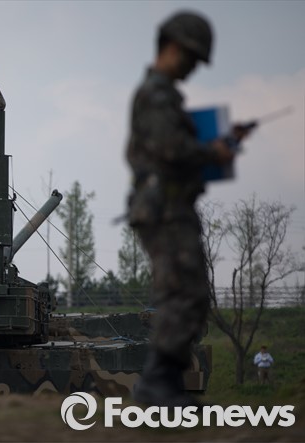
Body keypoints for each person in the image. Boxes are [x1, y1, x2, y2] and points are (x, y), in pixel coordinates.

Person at [125, 11, 252, 407]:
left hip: (173, 205)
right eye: (192, 58)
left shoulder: (164, 96)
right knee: (181, 293)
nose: (194, 68)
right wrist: (212, 151)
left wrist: (220, 143)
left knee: (191, 293)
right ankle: (156, 387)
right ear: (173, 48)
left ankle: (165, 383)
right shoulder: (156, 95)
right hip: (162, 208)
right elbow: (171, 149)